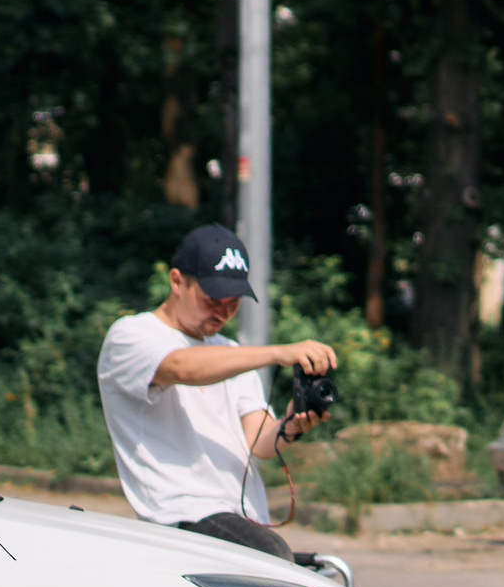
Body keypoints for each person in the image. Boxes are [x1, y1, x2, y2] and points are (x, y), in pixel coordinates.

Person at [97, 224, 340, 562]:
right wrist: (278, 352)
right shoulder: (131, 335)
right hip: (179, 515)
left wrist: (292, 424)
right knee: (271, 559)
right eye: (212, 299)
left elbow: (259, 443)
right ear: (177, 281)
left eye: (234, 303)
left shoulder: (230, 351)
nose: (222, 313)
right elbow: (184, 368)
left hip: (241, 517)